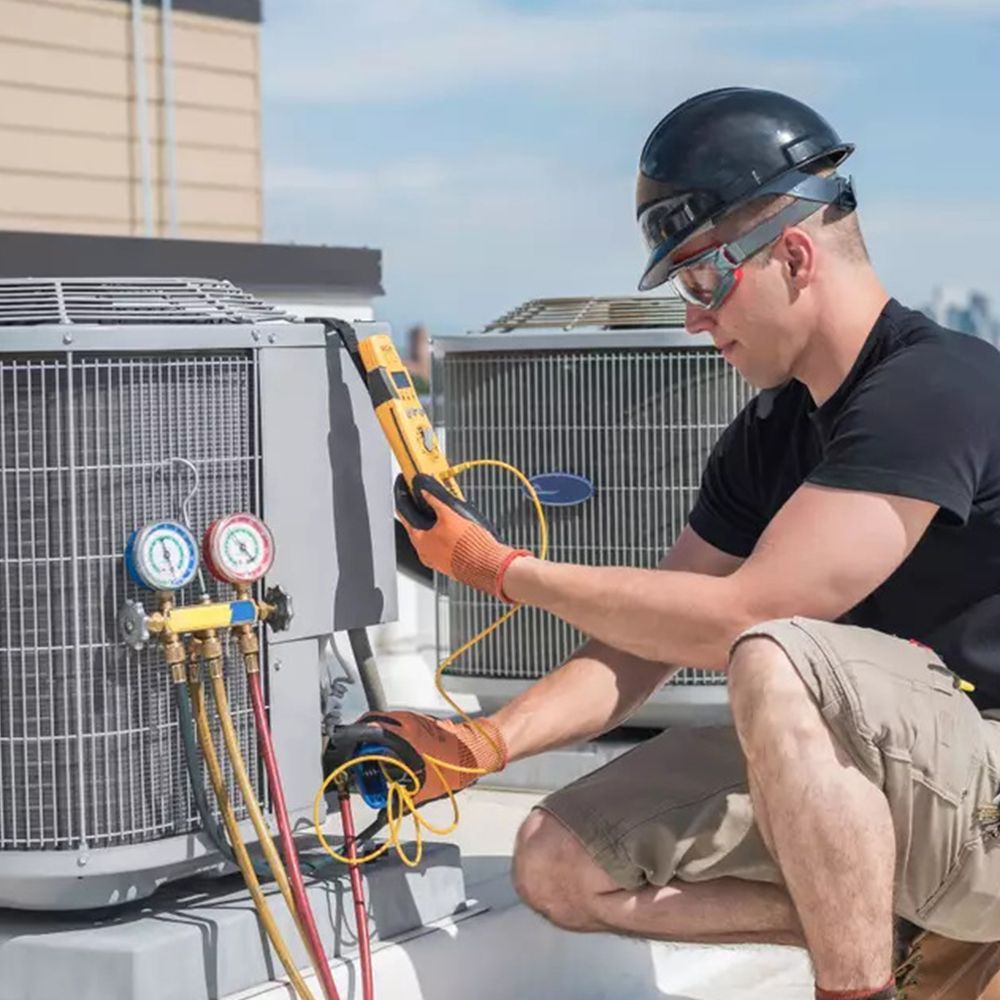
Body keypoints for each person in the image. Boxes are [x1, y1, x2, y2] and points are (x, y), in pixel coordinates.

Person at [371, 88, 1000, 999]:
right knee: (556, 860)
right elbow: (646, 642)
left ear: (791, 254)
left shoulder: (935, 387)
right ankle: (889, 926)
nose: (695, 319)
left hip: (986, 787)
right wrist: (483, 744)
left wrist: (503, 572)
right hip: (912, 786)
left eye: (703, 280)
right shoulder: (771, 433)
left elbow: (751, 613)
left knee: (774, 655)